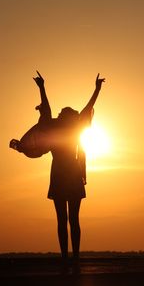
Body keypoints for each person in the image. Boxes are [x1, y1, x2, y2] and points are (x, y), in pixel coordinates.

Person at [33, 71, 105, 272]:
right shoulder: (74, 129)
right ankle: (73, 257)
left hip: (62, 174)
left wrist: (42, 88)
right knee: (72, 219)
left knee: (64, 219)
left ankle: (68, 257)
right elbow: (86, 108)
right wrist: (97, 89)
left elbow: (47, 111)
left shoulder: (57, 128)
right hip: (71, 174)